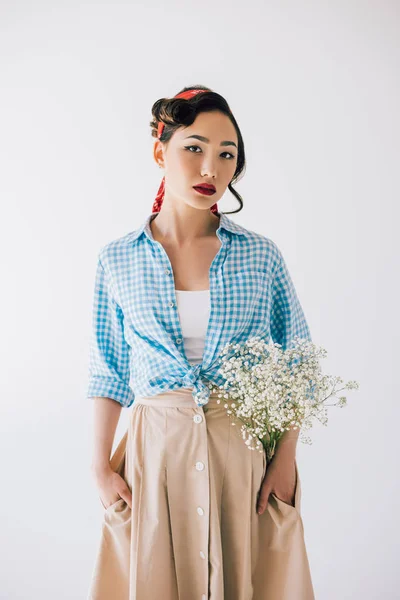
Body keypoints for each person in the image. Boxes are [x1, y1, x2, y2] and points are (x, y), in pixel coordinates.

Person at [86, 85, 315, 600]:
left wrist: (285, 459)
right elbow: (108, 371)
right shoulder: (117, 260)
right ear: (159, 150)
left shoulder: (260, 256)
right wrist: (99, 468)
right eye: (195, 148)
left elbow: (297, 361)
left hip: (243, 453)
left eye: (226, 154)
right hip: (153, 453)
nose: (211, 168)